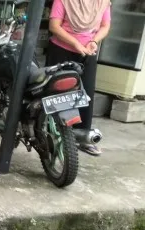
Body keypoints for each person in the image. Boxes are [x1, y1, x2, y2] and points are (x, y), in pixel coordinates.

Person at [47, 0, 111, 156]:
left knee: (86, 94)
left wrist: (94, 41)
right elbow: (54, 27)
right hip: (61, 51)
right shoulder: (63, 1)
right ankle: (51, 134)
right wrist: (76, 44)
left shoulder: (102, 2)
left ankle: (83, 138)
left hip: (88, 53)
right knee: (57, 94)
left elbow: (105, 26)